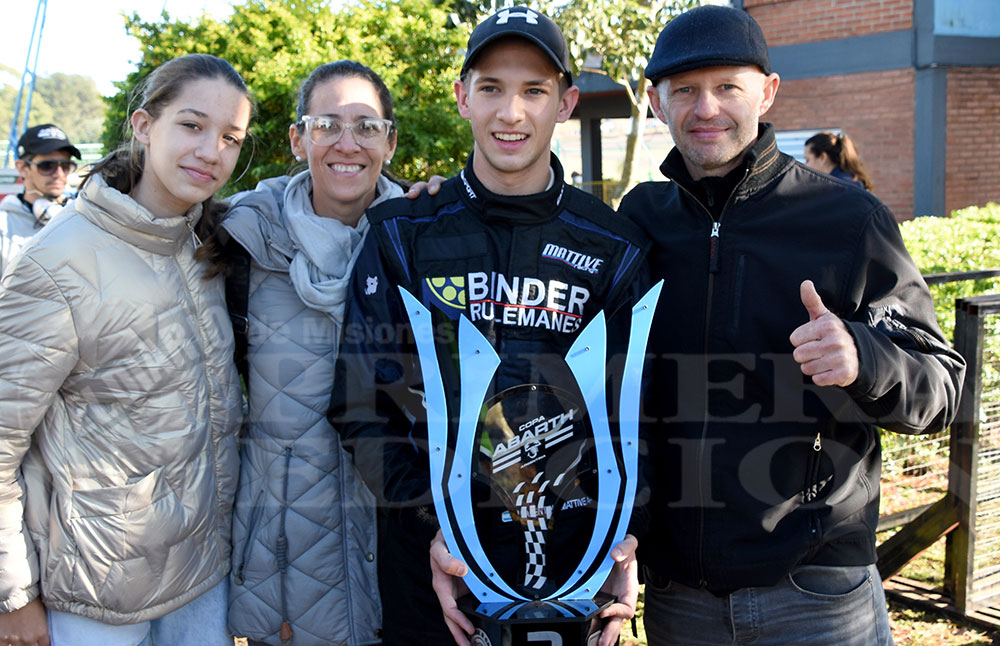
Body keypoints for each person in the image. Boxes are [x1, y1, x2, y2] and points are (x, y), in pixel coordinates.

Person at [617, 6, 966, 645]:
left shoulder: (848, 220)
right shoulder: (639, 220)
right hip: (678, 599)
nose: (706, 108)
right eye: (685, 90)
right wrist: (443, 204)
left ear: (767, 92)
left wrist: (863, 357)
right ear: (656, 103)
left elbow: (942, 388)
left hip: (817, 595)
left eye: (727, 86)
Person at [328, 7, 647, 646]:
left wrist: (624, 539)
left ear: (566, 103)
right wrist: (436, 528)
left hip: (574, 568)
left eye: (535, 90)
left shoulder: (615, 245)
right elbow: (361, 406)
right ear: (462, 97)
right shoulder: (403, 234)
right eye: (492, 88)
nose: (511, 113)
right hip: (434, 568)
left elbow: (639, 414)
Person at [0, 53, 250, 646]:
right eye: (191, 125)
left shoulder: (205, 244)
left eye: (230, 137)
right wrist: (13, 595)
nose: (210, 151)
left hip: (201, 578)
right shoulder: (58, 262)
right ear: (143, 125)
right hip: (96, 597)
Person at [218, 59, 404, 646]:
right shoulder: (243, 243)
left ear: (390, 143)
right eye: (327, 125)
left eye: (367, 126)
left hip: (404, 558)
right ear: (299, 140)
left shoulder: (425, 241)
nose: (347, 144)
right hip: (287, 566)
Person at [0, 124, 81, 272]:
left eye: (66, 166)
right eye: (47, 165)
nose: (59, 174)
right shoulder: (4, 225)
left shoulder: (82, 216)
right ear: (23, 168)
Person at [804, 131, 874, 190]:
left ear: (823, 158)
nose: (805, 165)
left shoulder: (836, 188)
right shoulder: (849, 181)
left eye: (808, 160)